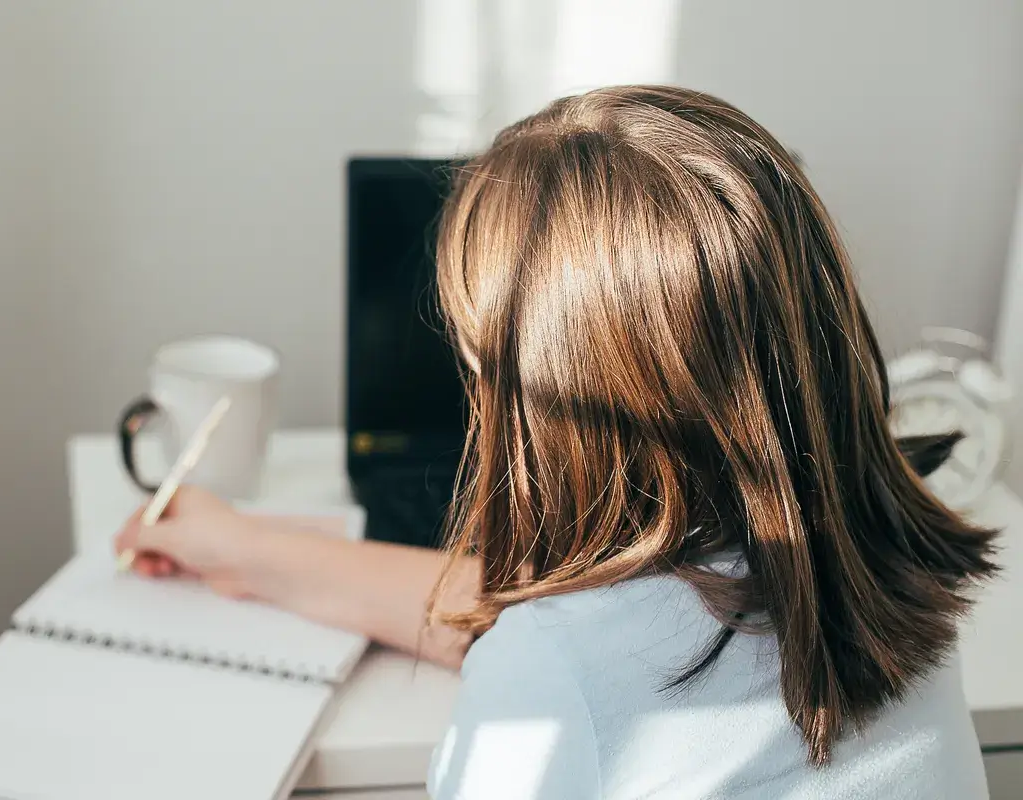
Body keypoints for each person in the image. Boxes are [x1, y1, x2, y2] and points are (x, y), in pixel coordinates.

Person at [114, 86, 998, 798]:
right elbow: (555, 624)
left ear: (537, 402)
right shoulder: (890, 573)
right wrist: (246, 549)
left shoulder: (551, 674)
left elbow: (561, 654)